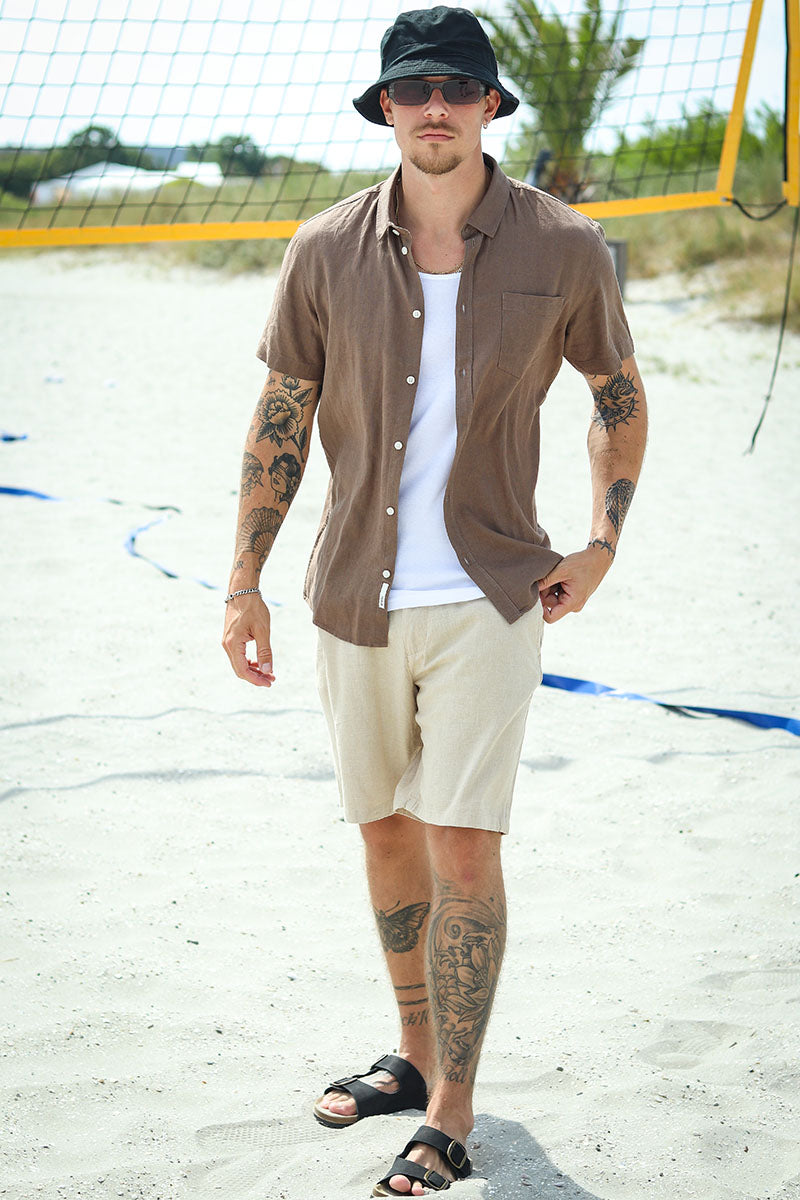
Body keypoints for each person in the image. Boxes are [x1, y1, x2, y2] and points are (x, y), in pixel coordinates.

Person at [222, 6, 647, 1195]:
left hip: (489, 594)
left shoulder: (563, 245)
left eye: (458, 86)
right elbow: (279, 419)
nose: (436, 107)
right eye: (413, 89)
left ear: (491, 104)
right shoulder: (323, 248)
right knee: (384, 832)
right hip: (351, 592)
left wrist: (601, 542)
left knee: (464, 845)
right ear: (385, 108)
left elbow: (616, 394)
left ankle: (451, 1109)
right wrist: (243, 582)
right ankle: (411, 1058)